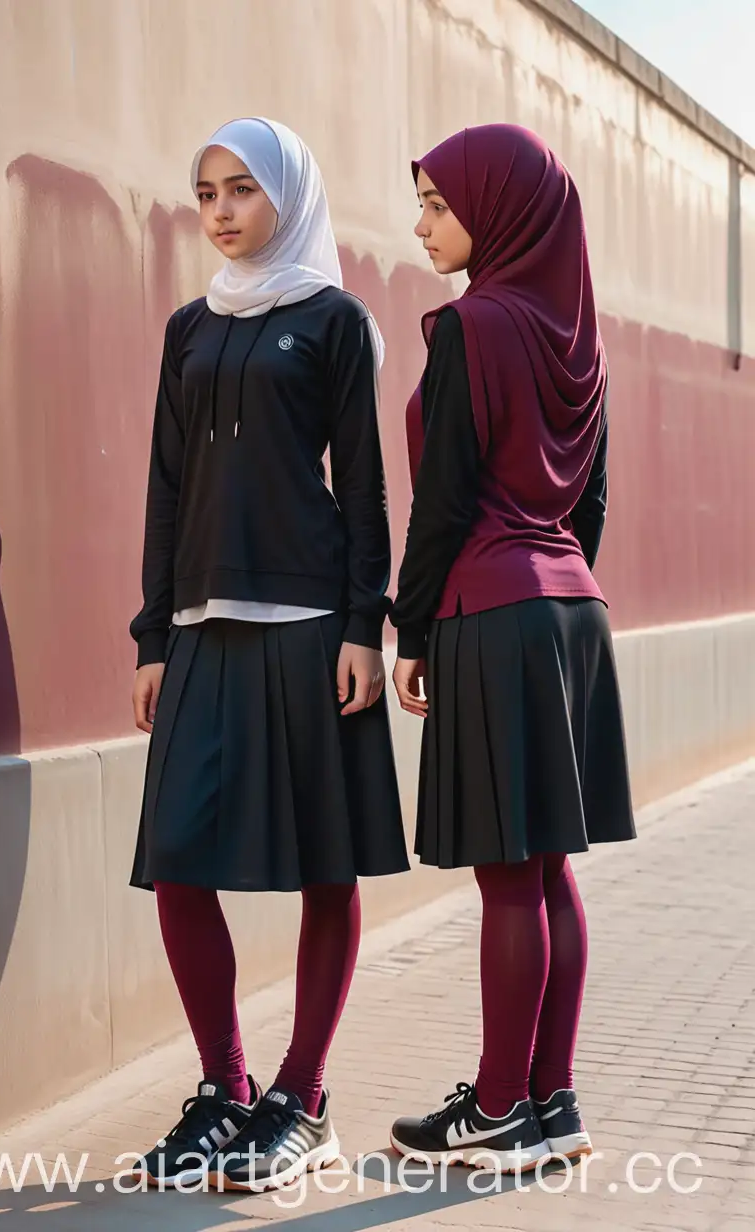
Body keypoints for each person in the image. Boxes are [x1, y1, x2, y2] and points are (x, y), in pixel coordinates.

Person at [128, 116, 409, 1191]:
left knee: (322, 865)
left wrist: (361, 624)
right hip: (200, 630)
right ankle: (224, 1085)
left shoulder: (334, 321)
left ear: (287, 196)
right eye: (206, 192)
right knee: (179, 861)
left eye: (242, 188)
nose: (221, 210)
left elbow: (365, 484)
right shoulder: (188, 328)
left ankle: (302, 1092)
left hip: (307, 632)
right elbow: (164, 484)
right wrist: (154, 631)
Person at [387, 124, 636, 1174]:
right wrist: (551, 586)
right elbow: (594, 503)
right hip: (572, 610)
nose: (421, 223)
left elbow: (441, 501)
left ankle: (496, 1105)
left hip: (491, 607)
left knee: (505, 881)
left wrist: (409, 626)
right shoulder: (576, 336)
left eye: (439, 204)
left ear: (499, 209)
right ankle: (549, 1099)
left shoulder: (470, 328)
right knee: (548, 870)